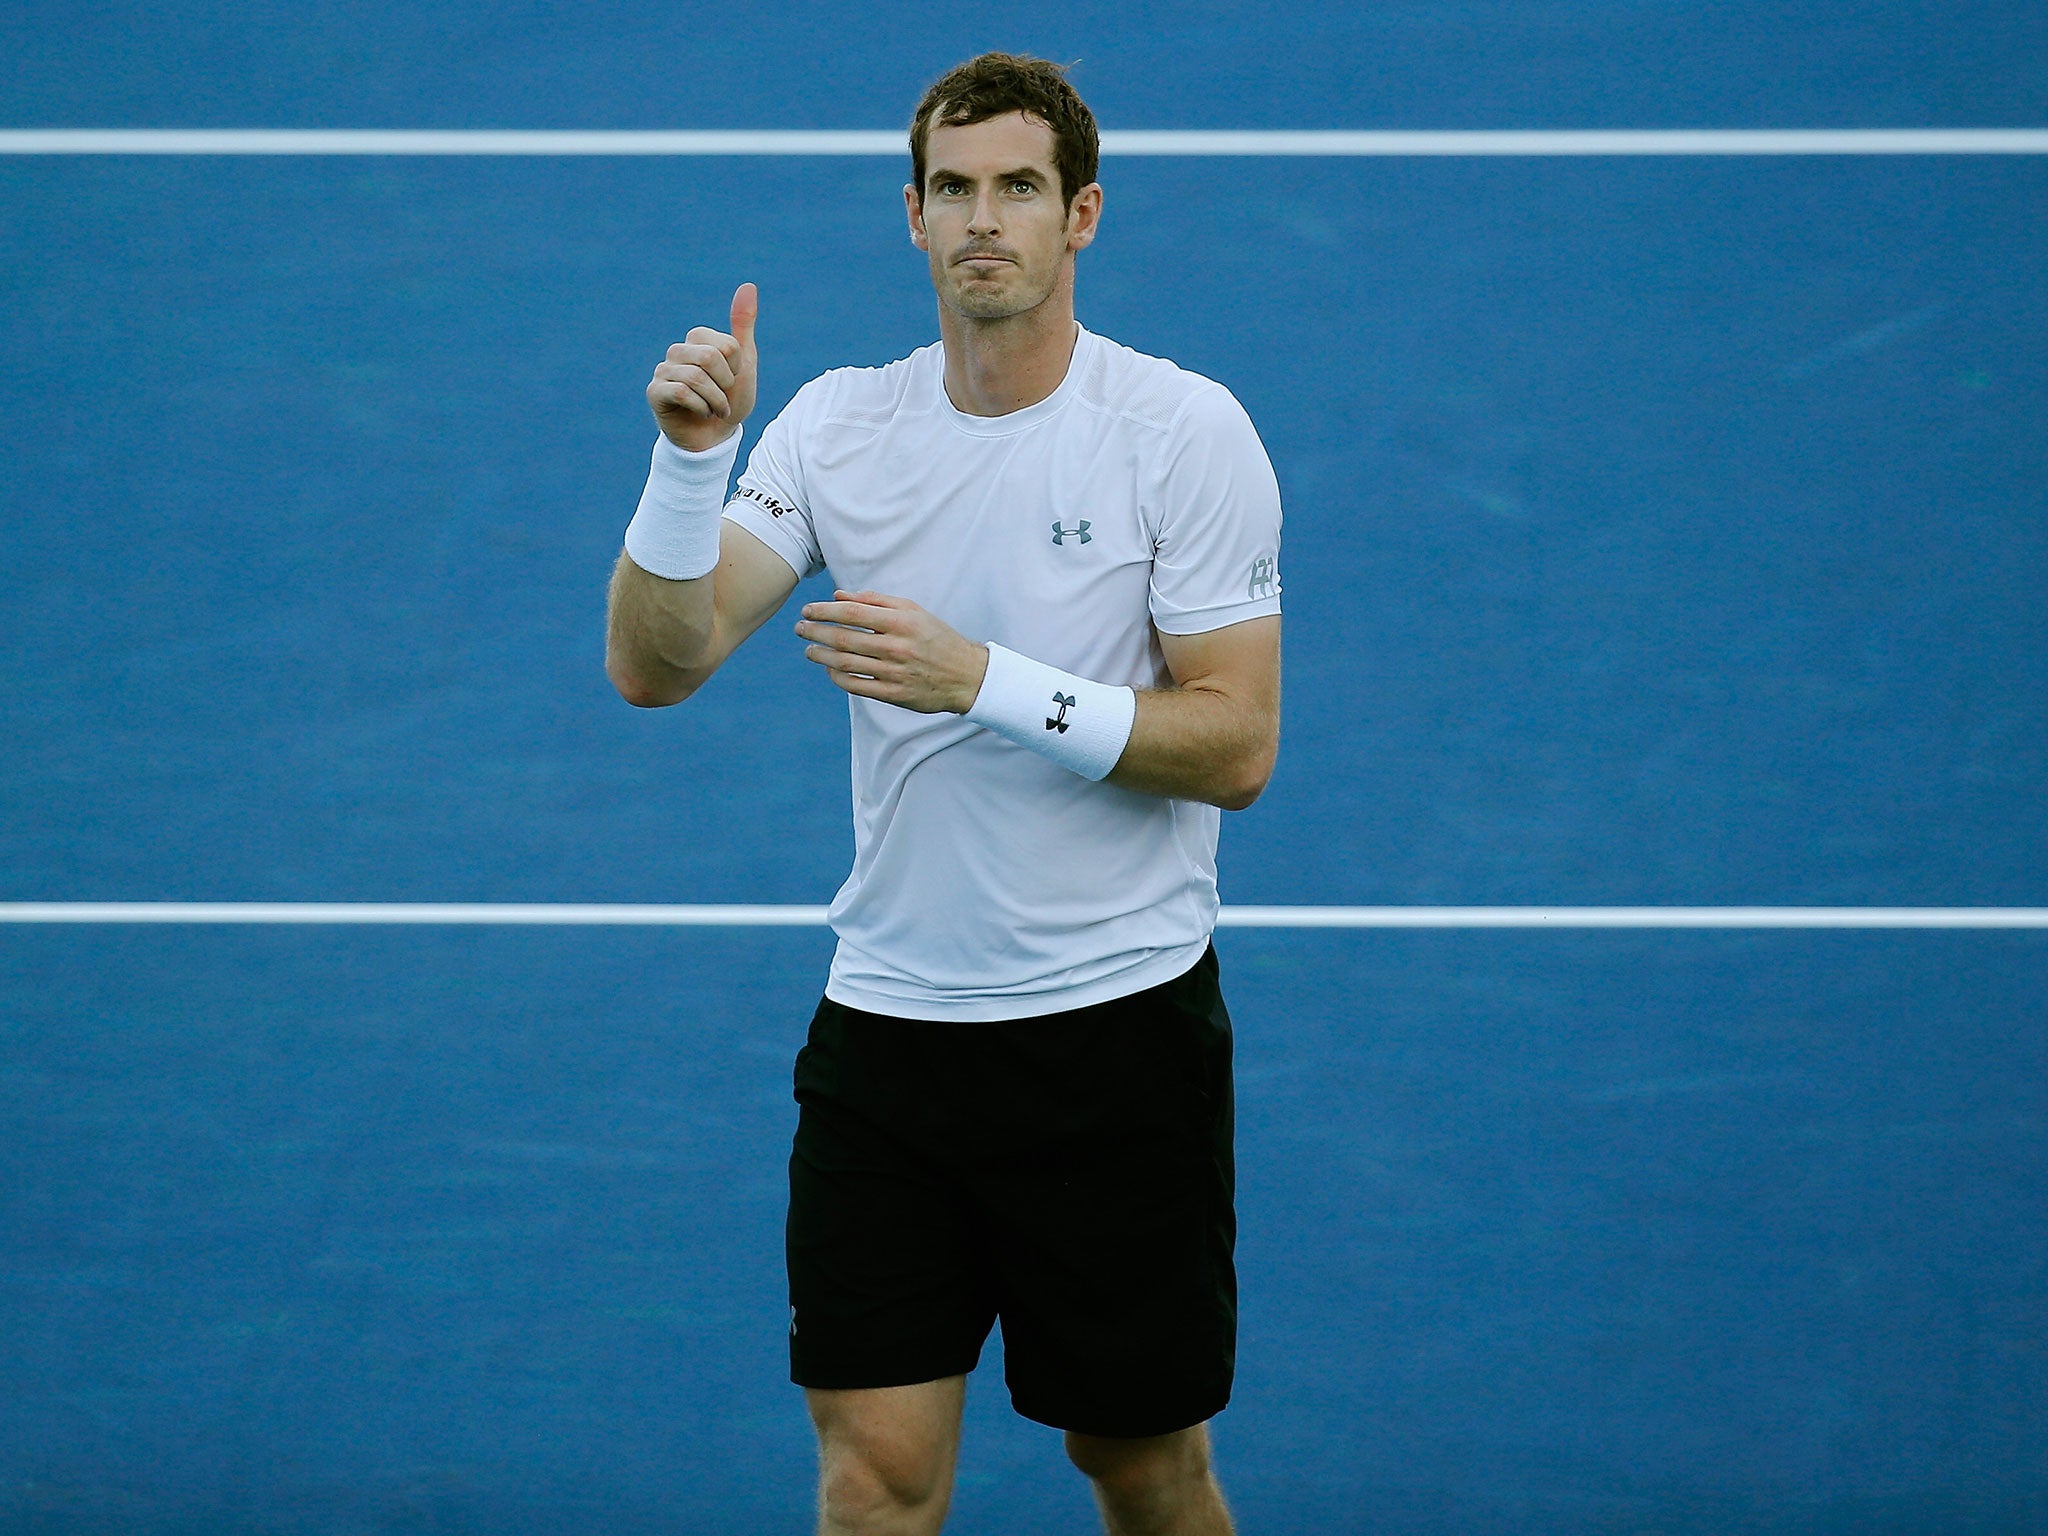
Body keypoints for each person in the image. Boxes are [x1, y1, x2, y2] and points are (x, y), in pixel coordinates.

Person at [605, 51, 1281, 1536]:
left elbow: (1236, 743)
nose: (987, 220)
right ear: (912, 217)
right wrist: (685, 470)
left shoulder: (1183, 432)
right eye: (955, 191)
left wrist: (980, 680)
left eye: (1019, 189)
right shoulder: (839, 428)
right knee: (877, 1480)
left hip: (1118, 1040)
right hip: (891, 1043)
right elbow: (660, 664)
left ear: (1079, 215)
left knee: (1142, 1469)